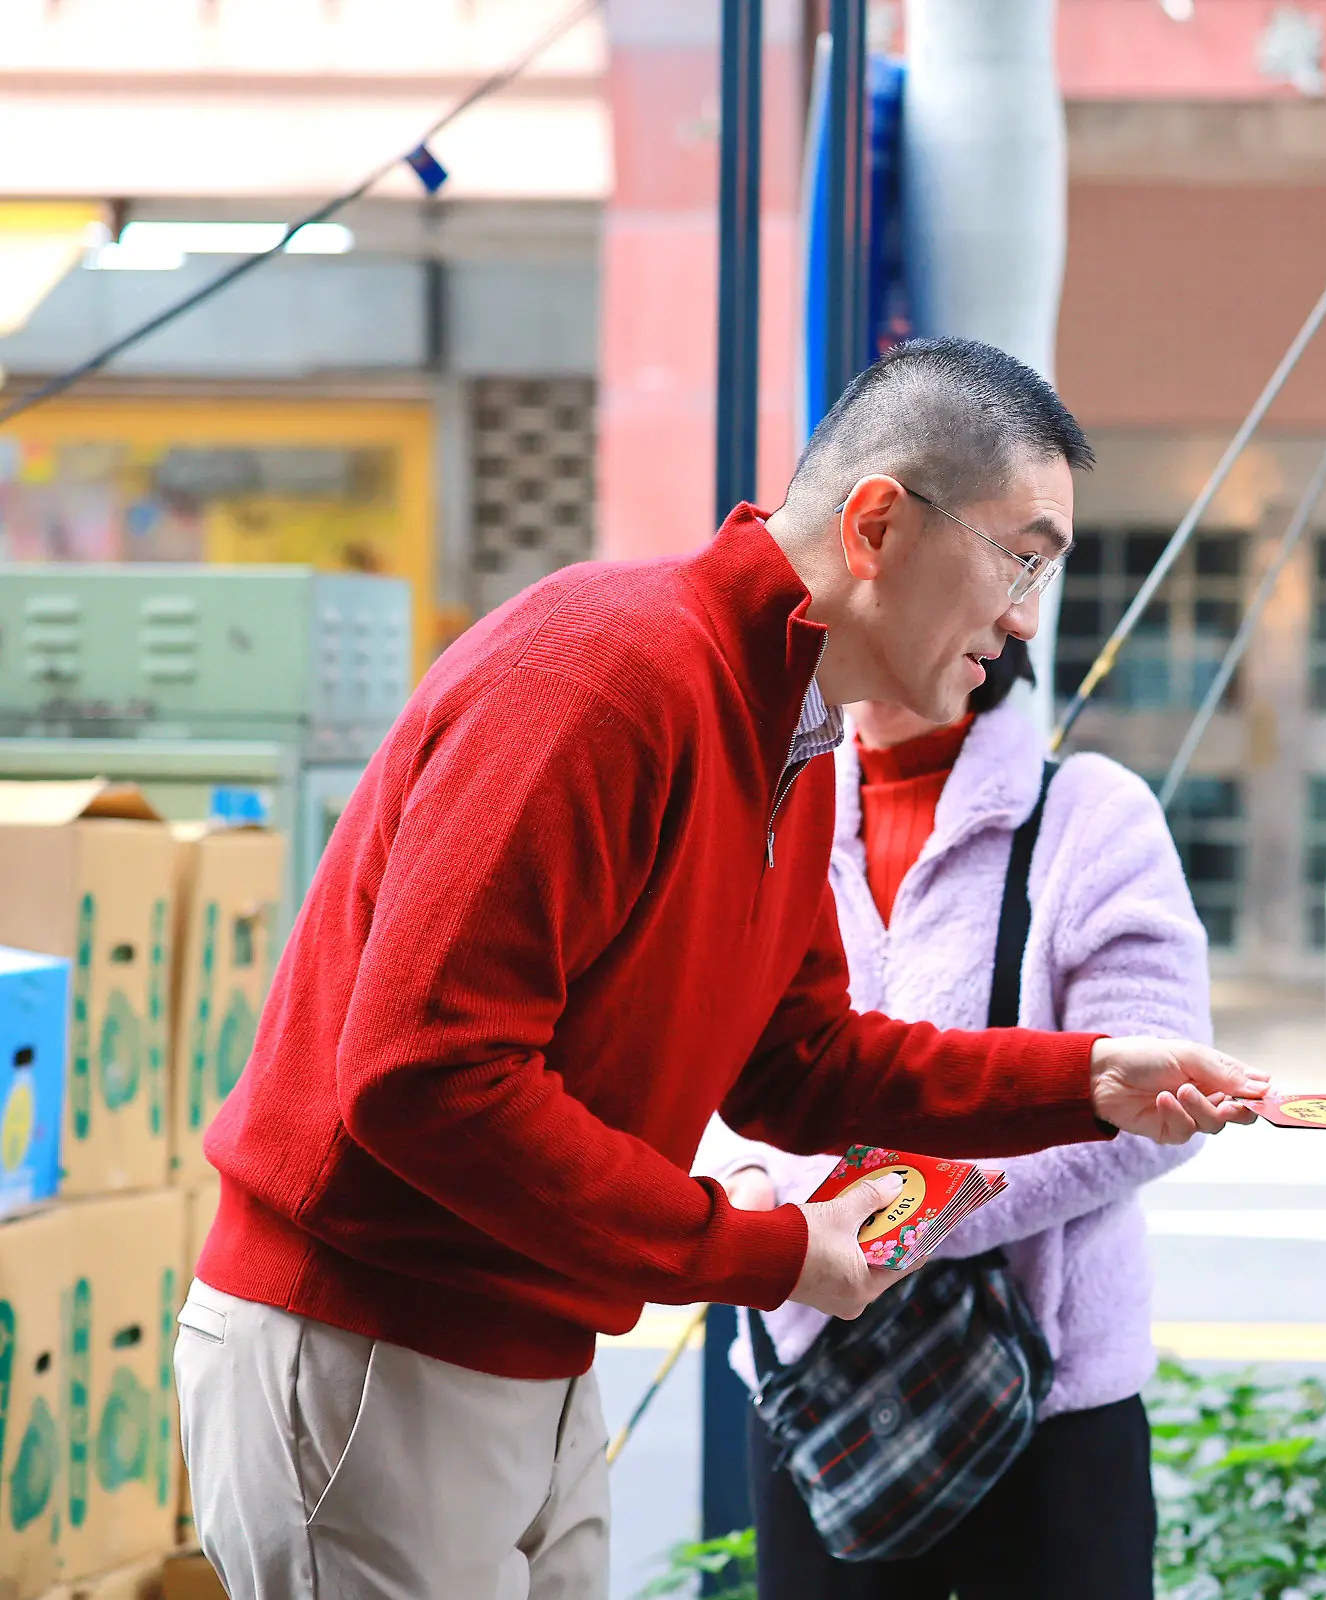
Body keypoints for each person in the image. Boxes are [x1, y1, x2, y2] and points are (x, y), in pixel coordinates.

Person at [174, 338, 1265, 1600]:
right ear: (876, 525)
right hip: (373, 1340)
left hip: (525, 1347)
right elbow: (427, 1076)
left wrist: (1087, 1078)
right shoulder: (603, 673)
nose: (1027, 615)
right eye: (1021, 557)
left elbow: (801, 1061)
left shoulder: (784, 726)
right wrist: (767, 1249)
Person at [696, 633, 1208, 1597]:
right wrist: (750, 1188)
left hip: (1045, 1393)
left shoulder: (1091, 814)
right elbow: (723, 1050)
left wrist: (894, 1223)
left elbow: (1152, 1096)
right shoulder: (779, 799)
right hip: (812, 1380)